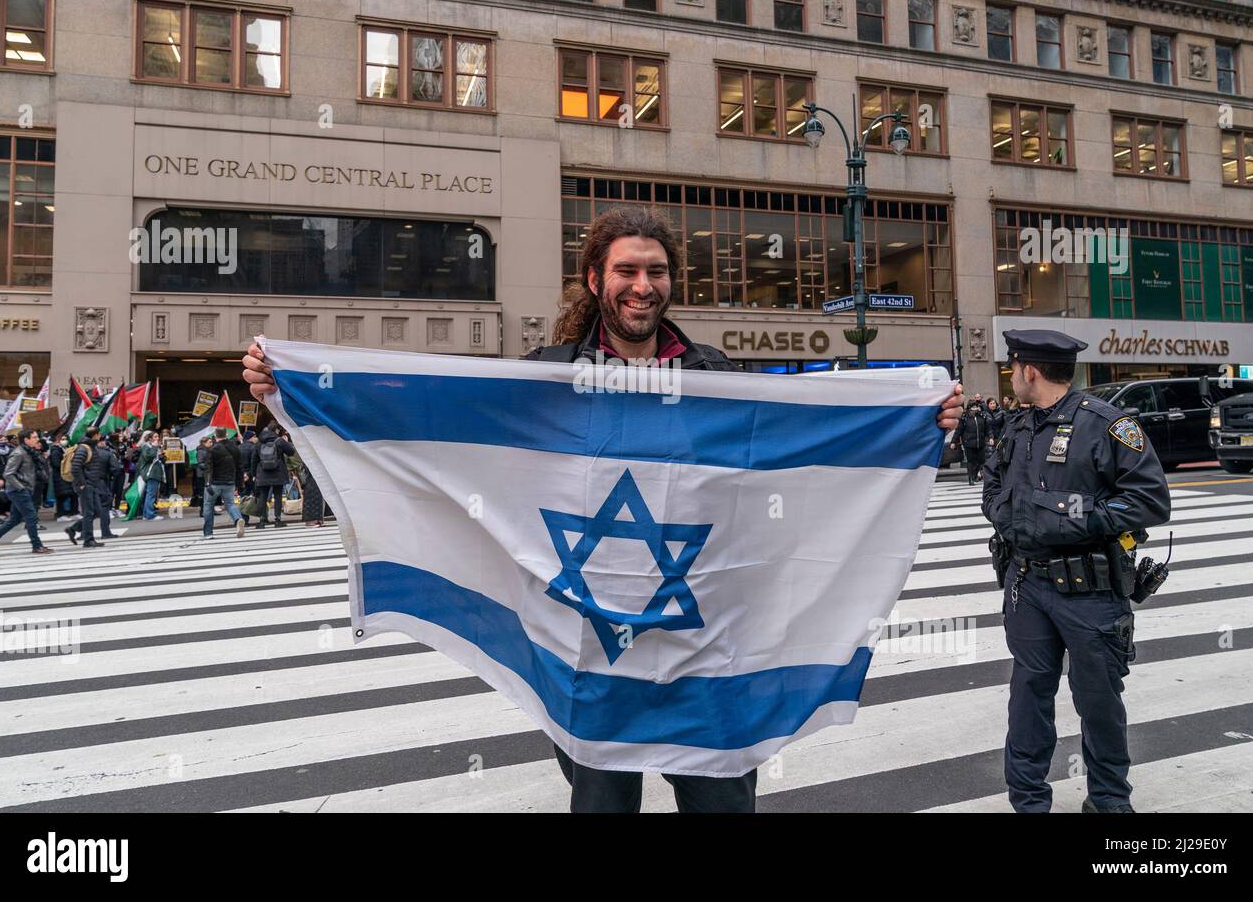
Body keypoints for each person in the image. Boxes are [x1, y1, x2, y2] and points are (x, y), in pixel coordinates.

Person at [242, 205, 965, 814]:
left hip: (703, 656)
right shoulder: (548, 378)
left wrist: (916, 421)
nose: (642, 286)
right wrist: (297, 391)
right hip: (589, 658)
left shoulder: (716, 377)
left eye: (655, 271)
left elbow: (806, 447)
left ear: (671, 282)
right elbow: (423, 422)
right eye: (626, 271)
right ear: (596, 279)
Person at [981, 329, 1171, 814]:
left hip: (1089, 591)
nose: (1011, 376)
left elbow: (1150, 499)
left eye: (1014, 367)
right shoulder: (1016, 427)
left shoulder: (1107, 425)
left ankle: (1109, 803)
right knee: (1028, 695)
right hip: (1026, 584)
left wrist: (1069, 518)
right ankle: (1028, 802)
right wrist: (1012, 517)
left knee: (1099, 702)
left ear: (1031, 371)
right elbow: (993, 488)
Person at [0, 429, 53, 556]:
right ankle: (37, 545)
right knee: (31, 517)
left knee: (14, 519)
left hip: (23, 489)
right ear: (26, 440)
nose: (37, 439)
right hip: (18, 490)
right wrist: (21, 488)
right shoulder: (19, 453)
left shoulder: (29, 452)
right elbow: (8, 474)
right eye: (35, 437)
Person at [66, 427, 120, 547]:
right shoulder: (83, 448)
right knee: (89, 512)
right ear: (95, 435)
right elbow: (75, 468)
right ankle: (88, 540)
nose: (100, 436)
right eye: (99, 434)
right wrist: (82, 484)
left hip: (92, 484)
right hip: (86, 485)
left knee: (96, 511)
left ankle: (73, 529)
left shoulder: (90, 447)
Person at [202, 427, 247, 538]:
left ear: (215, 435)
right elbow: (239, 467)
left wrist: (207, 483)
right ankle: (238, 519)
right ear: (226, 434)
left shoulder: (213, 449)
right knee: (230, 504)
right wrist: (240, 483)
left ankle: (208, 533)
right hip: (230, 482)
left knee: (208, 506)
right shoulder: (235, 448)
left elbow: (209, 468)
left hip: (215, 482)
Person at [250, 423, 295, 528]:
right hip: (278, 472)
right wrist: (286, 443)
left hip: (262, 472)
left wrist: (254, 474)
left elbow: (254, 459)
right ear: (277, 430)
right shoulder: (279, 440)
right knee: (278, 496)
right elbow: (291, 452)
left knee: (263, 496)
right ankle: (278, 519)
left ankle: (262, 520)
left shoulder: (259, 442)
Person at [952, 399, 991, 484]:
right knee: (971, 461)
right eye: (973, 407)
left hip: (980, 442)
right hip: (968, 443)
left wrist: (990, 437)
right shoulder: (964, 418)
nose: (975, 408)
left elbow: (987, 428)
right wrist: (953, 441)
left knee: (980, 461)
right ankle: (971, 478)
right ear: (969, 408)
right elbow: (959, 430)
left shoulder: (982, 416)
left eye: (976, 406)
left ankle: (975, 475)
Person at [135, 430, 166, 519]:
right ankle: (150, 514)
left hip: (154, 472)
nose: (157, 438)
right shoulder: (146, 446)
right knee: (151, 494)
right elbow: (149, 457)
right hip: (151, 472)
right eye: (155, 437)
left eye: (157, 437)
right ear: (149, 438)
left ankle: (146, 514)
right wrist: (155, 447)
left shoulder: (152, 446)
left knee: (150, 494)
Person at [49, 434, 77, 520]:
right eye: (62, 439)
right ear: (57, 440)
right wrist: (66, 464)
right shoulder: (55, 451)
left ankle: (74, 512)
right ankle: (61, 514)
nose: (64, 440)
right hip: (60, 476)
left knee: (73, 494)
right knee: (62, 496)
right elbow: (56, 464)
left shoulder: (66, 449)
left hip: (67, 475)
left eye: (65, 439)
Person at [239, 429, 258, 499]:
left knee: (243, 497)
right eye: (254, 437)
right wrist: (249, 474)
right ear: (250, 438)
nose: (256, 438)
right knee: (256, 496)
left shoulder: (238, 447)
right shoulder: (254, 448)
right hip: (252, 475)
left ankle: (243, 509)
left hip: (241, 476)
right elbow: (254, 463)